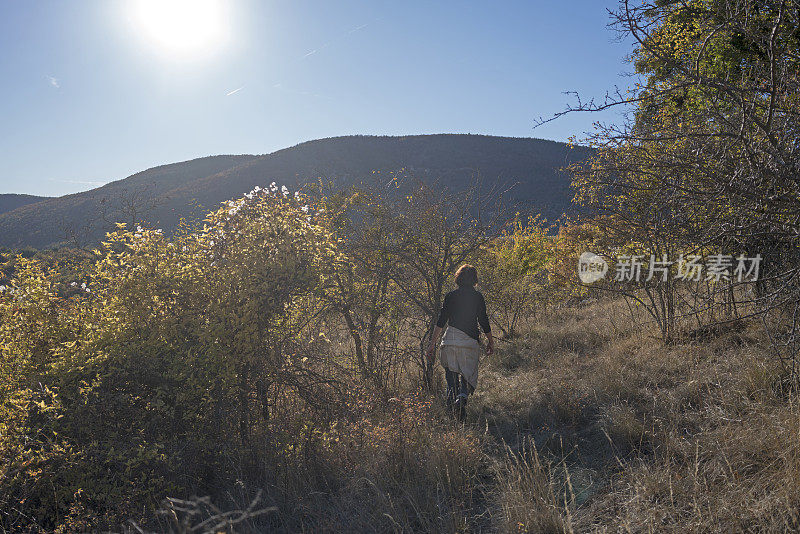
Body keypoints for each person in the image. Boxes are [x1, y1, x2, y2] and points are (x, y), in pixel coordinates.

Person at [426, 264, 494, 420]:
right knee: (467, 376)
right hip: (469, 343)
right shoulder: (478, 297)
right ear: (474, 279)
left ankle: (452, 417)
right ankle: (462, 398)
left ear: (458, 278)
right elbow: (483, 321)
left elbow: (441, 321)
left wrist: (432, 344)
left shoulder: (450, 296)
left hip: (450, 341)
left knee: (451, 379)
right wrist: (490, 342)